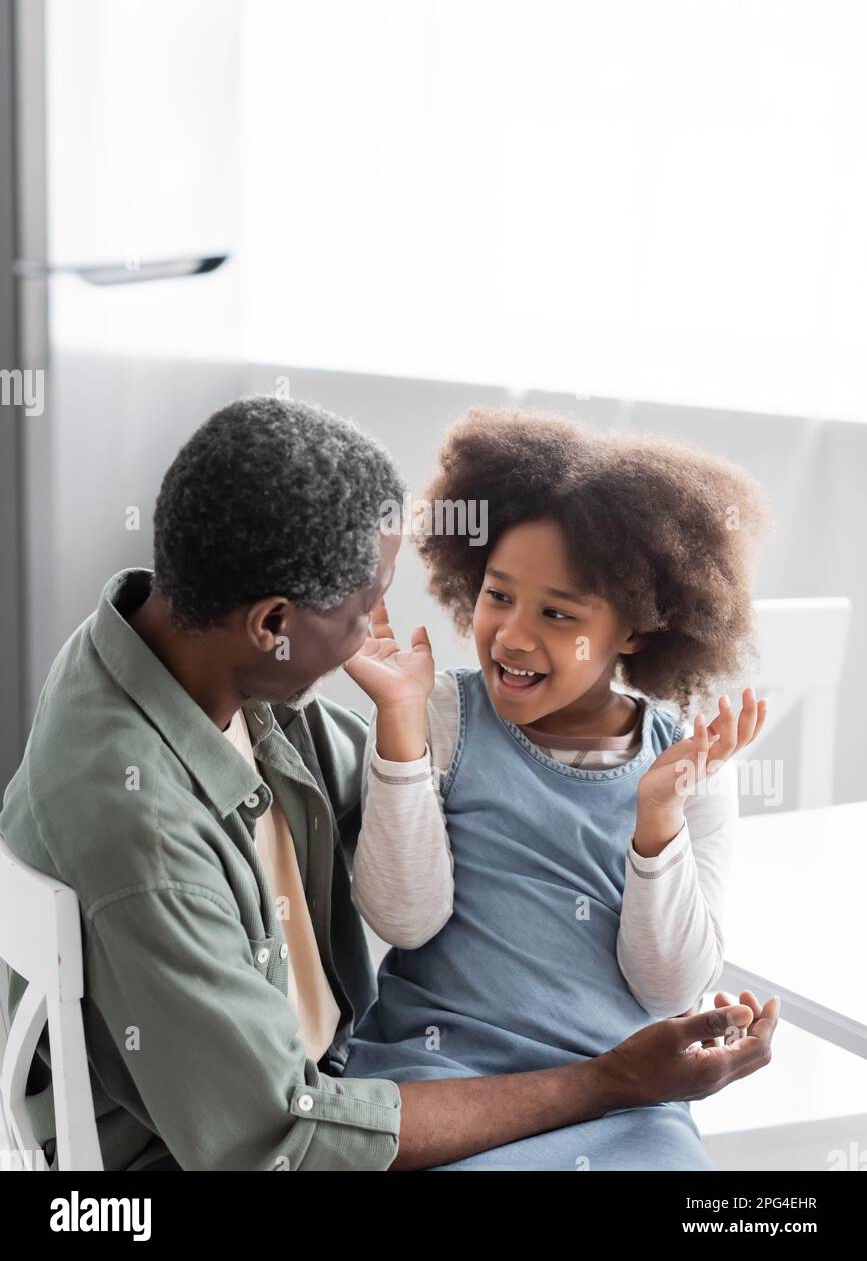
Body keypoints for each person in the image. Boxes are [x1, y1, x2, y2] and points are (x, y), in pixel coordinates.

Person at [0, 396, 778, 1172]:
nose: (380, 626)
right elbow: (281, 1141)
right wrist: (606, 1082)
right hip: (212, 1150)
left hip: (335, 1087)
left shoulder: (171, 652)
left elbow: (418, 799)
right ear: (272, 625)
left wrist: (638, 820)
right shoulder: (147, 836)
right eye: (362, 606)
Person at [341, 405, 775, 1169]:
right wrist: (400, 730)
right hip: (441, 1078)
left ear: (633, 630)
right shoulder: (442, 714)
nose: (511, 634)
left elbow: (666, 984)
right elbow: (403, 920)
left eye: (556, 614)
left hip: (626, 1098)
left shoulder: (685, 764)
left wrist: (655, 820)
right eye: (498, 595)